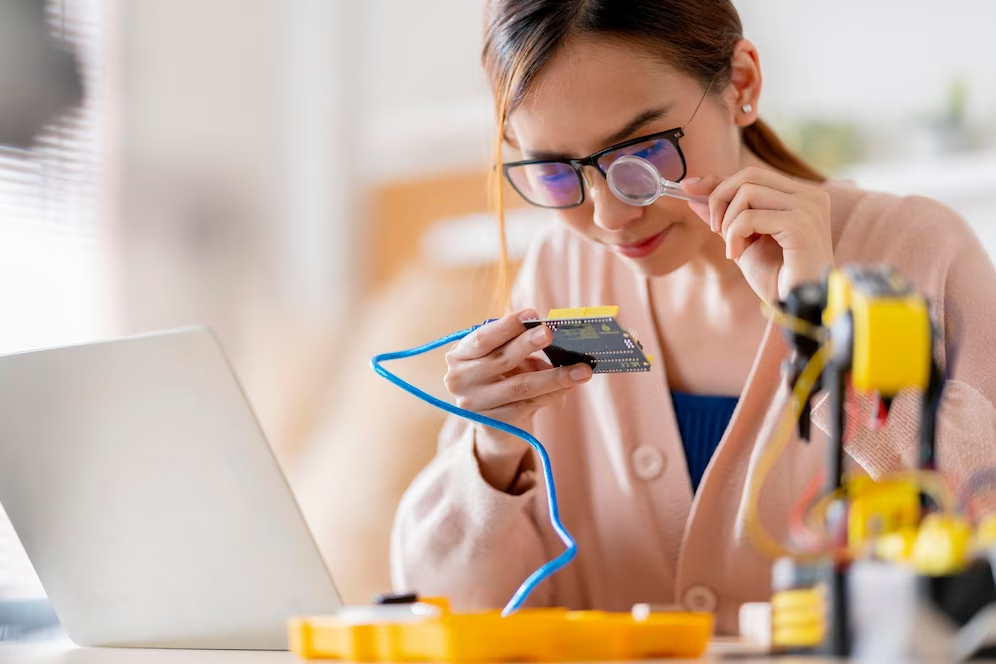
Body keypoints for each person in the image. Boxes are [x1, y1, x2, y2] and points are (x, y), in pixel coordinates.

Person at [391, 0, 996, 634]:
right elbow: (441, 608)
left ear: (742, 84)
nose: (608, 217)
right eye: (553, 171)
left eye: (643, 154)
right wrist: (491, 452)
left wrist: (822, 328)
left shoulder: (918, 254)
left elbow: (981, 538)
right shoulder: (558, 271)